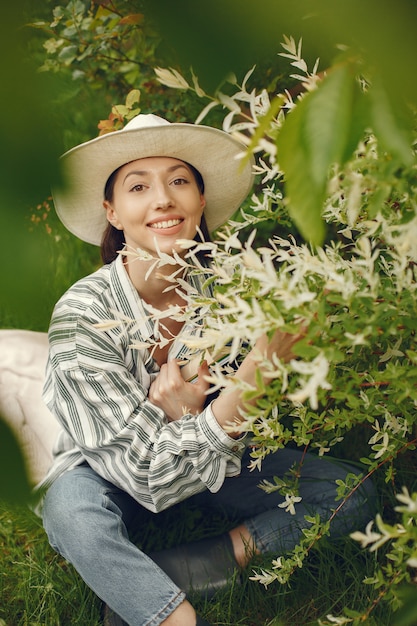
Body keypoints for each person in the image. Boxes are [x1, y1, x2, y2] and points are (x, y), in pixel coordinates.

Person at [37, 113, 374, 626]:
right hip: (110, 474)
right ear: (112, 210)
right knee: (72, 513)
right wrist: (250, 382)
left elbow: (256, 424)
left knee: (351, 494)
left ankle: (202, 563)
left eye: (179, 181)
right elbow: (144, 476)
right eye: (138, 186)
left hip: (214, 462)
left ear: (199, 202)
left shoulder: (234, 290)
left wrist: (210, 406)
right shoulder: (82, 316)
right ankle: (171, 614)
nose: (163, 198)